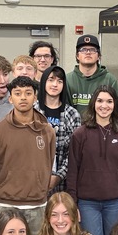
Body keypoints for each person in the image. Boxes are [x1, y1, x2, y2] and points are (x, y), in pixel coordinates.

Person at [66, 86, 118, 235]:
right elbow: (72, 171)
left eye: (109, 101)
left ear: (115, 105)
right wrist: (73, 203)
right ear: (93, 104)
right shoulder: (79, 134)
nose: (104, 105)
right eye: (100, 101)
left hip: (116, 203)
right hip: (87, 204)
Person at [0, 76, 56, 232]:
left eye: (28, 93)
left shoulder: (47, 131)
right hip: (4, 205)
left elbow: (48, 164)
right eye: (18, 93)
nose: (23, 97)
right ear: (10, 99)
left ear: (35, 97)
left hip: (37, 205)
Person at [36, 65, 81, 195]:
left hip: (63, 183)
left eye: (59, 81)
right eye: (50, 80)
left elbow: (74, 152)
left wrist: (59, 176)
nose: (55, 84)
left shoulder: (72, 114)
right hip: (34, 181)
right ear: (43, 82)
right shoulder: (33, 111)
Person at [67, 34, 118, 115]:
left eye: (92, 50)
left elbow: (117, 110)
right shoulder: (68, 80)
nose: (88, 53)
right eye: (83, 50)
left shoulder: (110, 80)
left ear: (98, 56)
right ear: (77, 56)